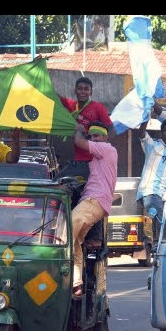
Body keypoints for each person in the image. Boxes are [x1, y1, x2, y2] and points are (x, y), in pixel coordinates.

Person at [70, 122, 117, 299]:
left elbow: (80, 144)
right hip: (93, 202)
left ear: (105, 137)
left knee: (65, 232)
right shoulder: (99, 157)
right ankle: (76, 284)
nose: (94, 139)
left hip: (94, 200)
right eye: (92, 136)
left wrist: (78, 131)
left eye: (97, 136)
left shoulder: (106, 148)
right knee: (75, 244)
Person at [58, 76, 113, 181]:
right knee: (61, 184)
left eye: (86, 89)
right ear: (75, 91)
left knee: (60, 183)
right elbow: (56, 98)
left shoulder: (98, 107)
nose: (82, 92)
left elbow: (110, 127)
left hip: (92, 160)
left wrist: (101, 146)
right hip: (77, 159)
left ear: (91, 92)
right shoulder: (73, 106)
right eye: (79, 88)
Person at [133, 116, 166, 232]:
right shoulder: (154, 146)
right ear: (161, 133)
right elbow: (141, 133)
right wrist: (146, 117)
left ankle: (153, 249)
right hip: (151, 194)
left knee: (155, 233)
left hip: (162, 197)